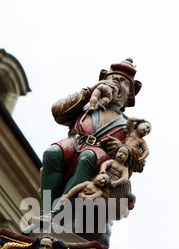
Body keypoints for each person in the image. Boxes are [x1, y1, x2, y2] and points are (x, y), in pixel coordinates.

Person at [40, 58, 142, 215]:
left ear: (129, 94)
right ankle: (45, 211)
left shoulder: (129, 124)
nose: (115, 82)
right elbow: (57, 111)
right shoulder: (87, 106)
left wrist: (122, 149)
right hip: (75, 142)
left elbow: (137, 159)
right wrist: (89, 93)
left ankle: (59, 213)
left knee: (87, 157)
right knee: (51, 153)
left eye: (123, 81)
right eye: (111, 78)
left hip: (99, 153)